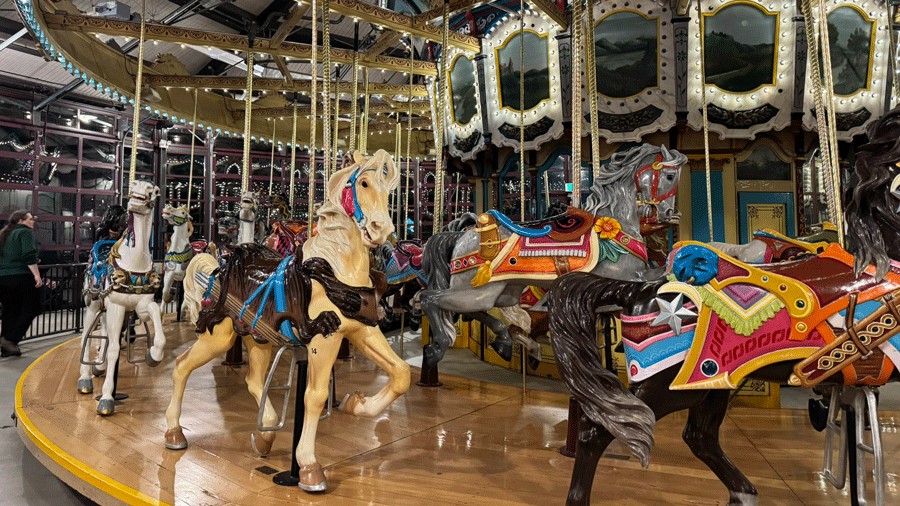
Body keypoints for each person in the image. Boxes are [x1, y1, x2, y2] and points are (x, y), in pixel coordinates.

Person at [0, 210, 42, 357]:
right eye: (30, 219)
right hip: (20, 276)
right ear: (21, 221)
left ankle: (6, 349)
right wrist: (37, 275)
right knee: (34, 307)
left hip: (3, 278)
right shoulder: (25, 232)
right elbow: (28, 255)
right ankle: (11, 340)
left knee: (10, 310)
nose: (33, 221)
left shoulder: (5, 233)